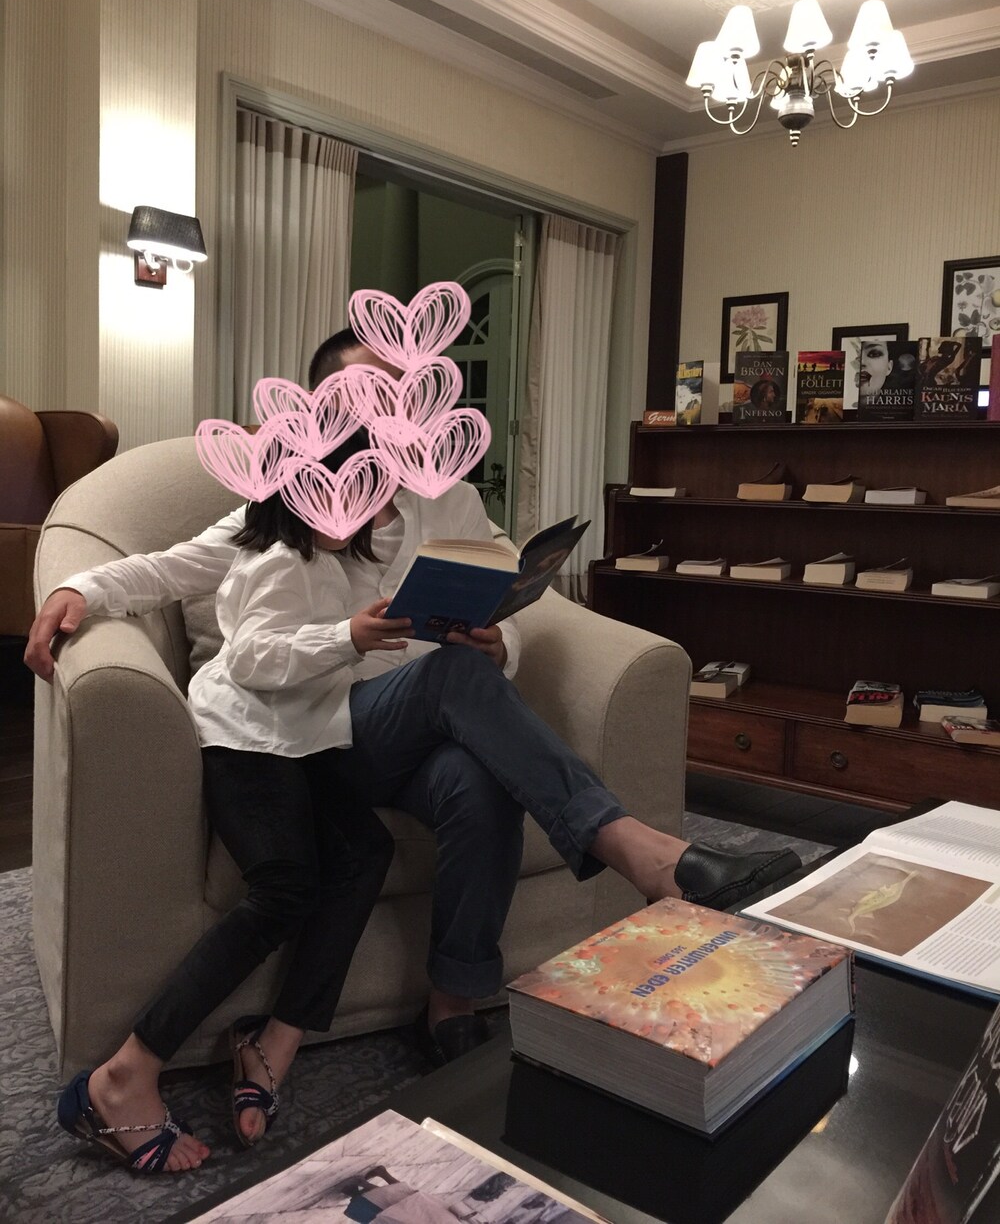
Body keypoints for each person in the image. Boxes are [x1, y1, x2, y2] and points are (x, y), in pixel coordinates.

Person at [30, 327, 801, 1121]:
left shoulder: (448, 497)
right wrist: (81, 590)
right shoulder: (297, 503)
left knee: (478, 778)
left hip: (418, 730)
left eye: (401, 391)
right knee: (450, 678)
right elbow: (170, 568)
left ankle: (453, 999)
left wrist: (502, 640)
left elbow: (507, 597)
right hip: (326, 732)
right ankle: (639, 852)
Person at [56, 431, 396, 1173]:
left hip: (308, 736)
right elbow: (242, 646)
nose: (369, 508)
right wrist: (83, 588)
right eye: (351, 489)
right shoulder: (273, 551)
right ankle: (124, 1073)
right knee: (284, 888)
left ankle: (274, 1039)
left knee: (367, 850)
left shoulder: (353, 549)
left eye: (377, 491)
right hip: (244, 734)